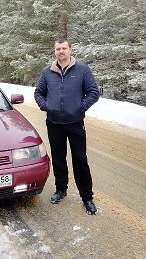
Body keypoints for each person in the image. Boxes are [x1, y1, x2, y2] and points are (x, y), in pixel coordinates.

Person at [34, 37, 99, 214]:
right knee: (58, 158)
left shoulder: (82, 70)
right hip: (54, 123)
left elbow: (93, 92)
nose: (61, 51)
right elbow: (39, 92)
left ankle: (87, 197)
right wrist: (46, 106)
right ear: (54, 51)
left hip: (75, 123)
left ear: (70, 49)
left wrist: (80, 107)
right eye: (58, 49)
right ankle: (61, 189)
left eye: (64, 48)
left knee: (80, 159)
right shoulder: (47, 71)